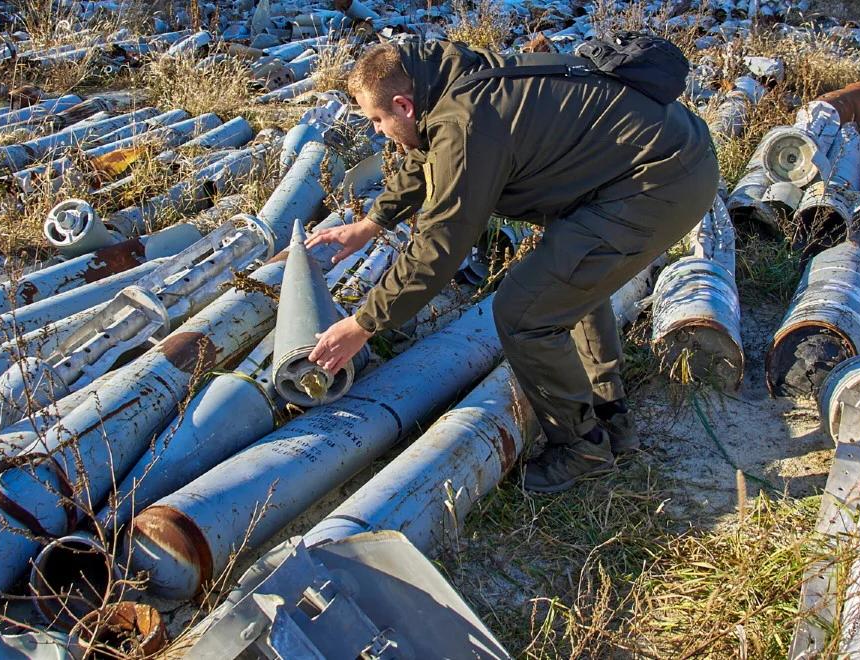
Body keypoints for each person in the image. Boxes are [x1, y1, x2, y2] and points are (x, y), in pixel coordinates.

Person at [305, 39, 719, 493]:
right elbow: (427, 156)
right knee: (566, 284)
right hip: (657, 161)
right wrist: (371, 222)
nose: (379, 132)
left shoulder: (465, 123)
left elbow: (440, 245)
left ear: (403, 105)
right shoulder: (446, 82)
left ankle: (582, 449)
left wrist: (364, 324)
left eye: (378, 121)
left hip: (658, 181)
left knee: (526, 312)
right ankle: (608, 411)